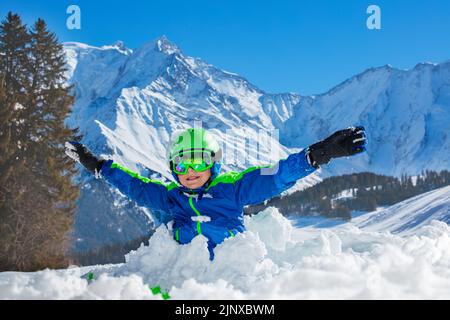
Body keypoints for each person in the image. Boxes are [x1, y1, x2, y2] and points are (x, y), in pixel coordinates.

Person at [65, 126, 367, 259]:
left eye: (199, 160)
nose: (190, 170)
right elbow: (135, 187)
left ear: (214, 163)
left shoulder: (232, 189)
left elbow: (277, 176)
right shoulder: (173, 196)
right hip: (186, 277)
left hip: (232, 275)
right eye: (182, 163)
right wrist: (99, 166)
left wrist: (317, 155)